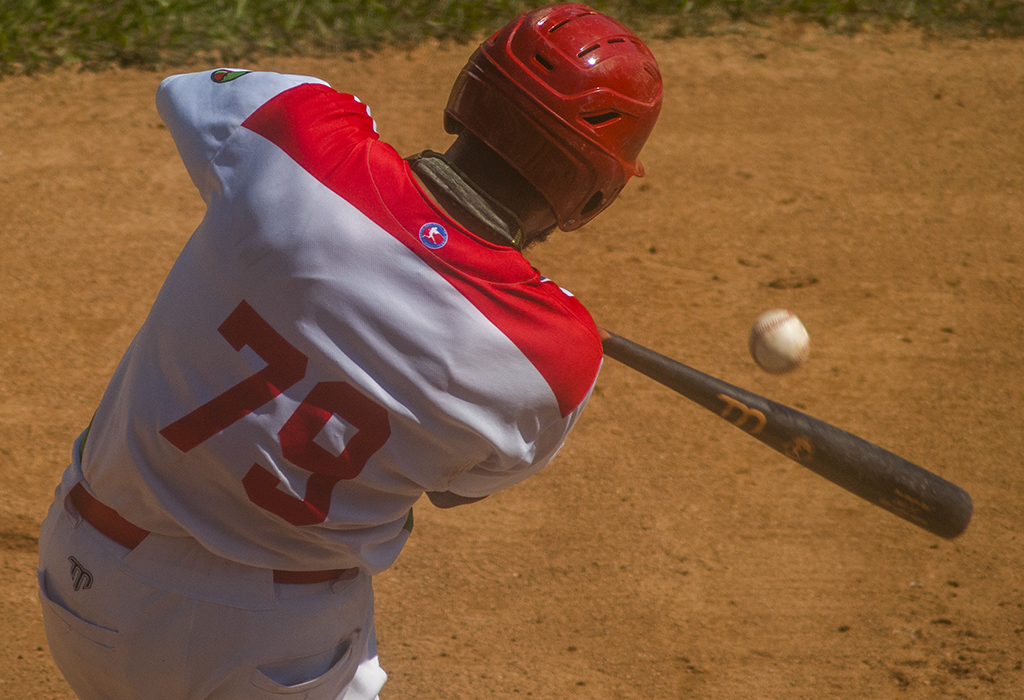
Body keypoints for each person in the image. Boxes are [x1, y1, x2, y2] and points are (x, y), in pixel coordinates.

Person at [36, 4, 663, 699]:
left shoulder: (301, 130)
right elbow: (459, 492)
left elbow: (185, 96)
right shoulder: (555, 359)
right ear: (594, 196)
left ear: (468, 94)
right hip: (274, 656)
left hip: (83, 590)